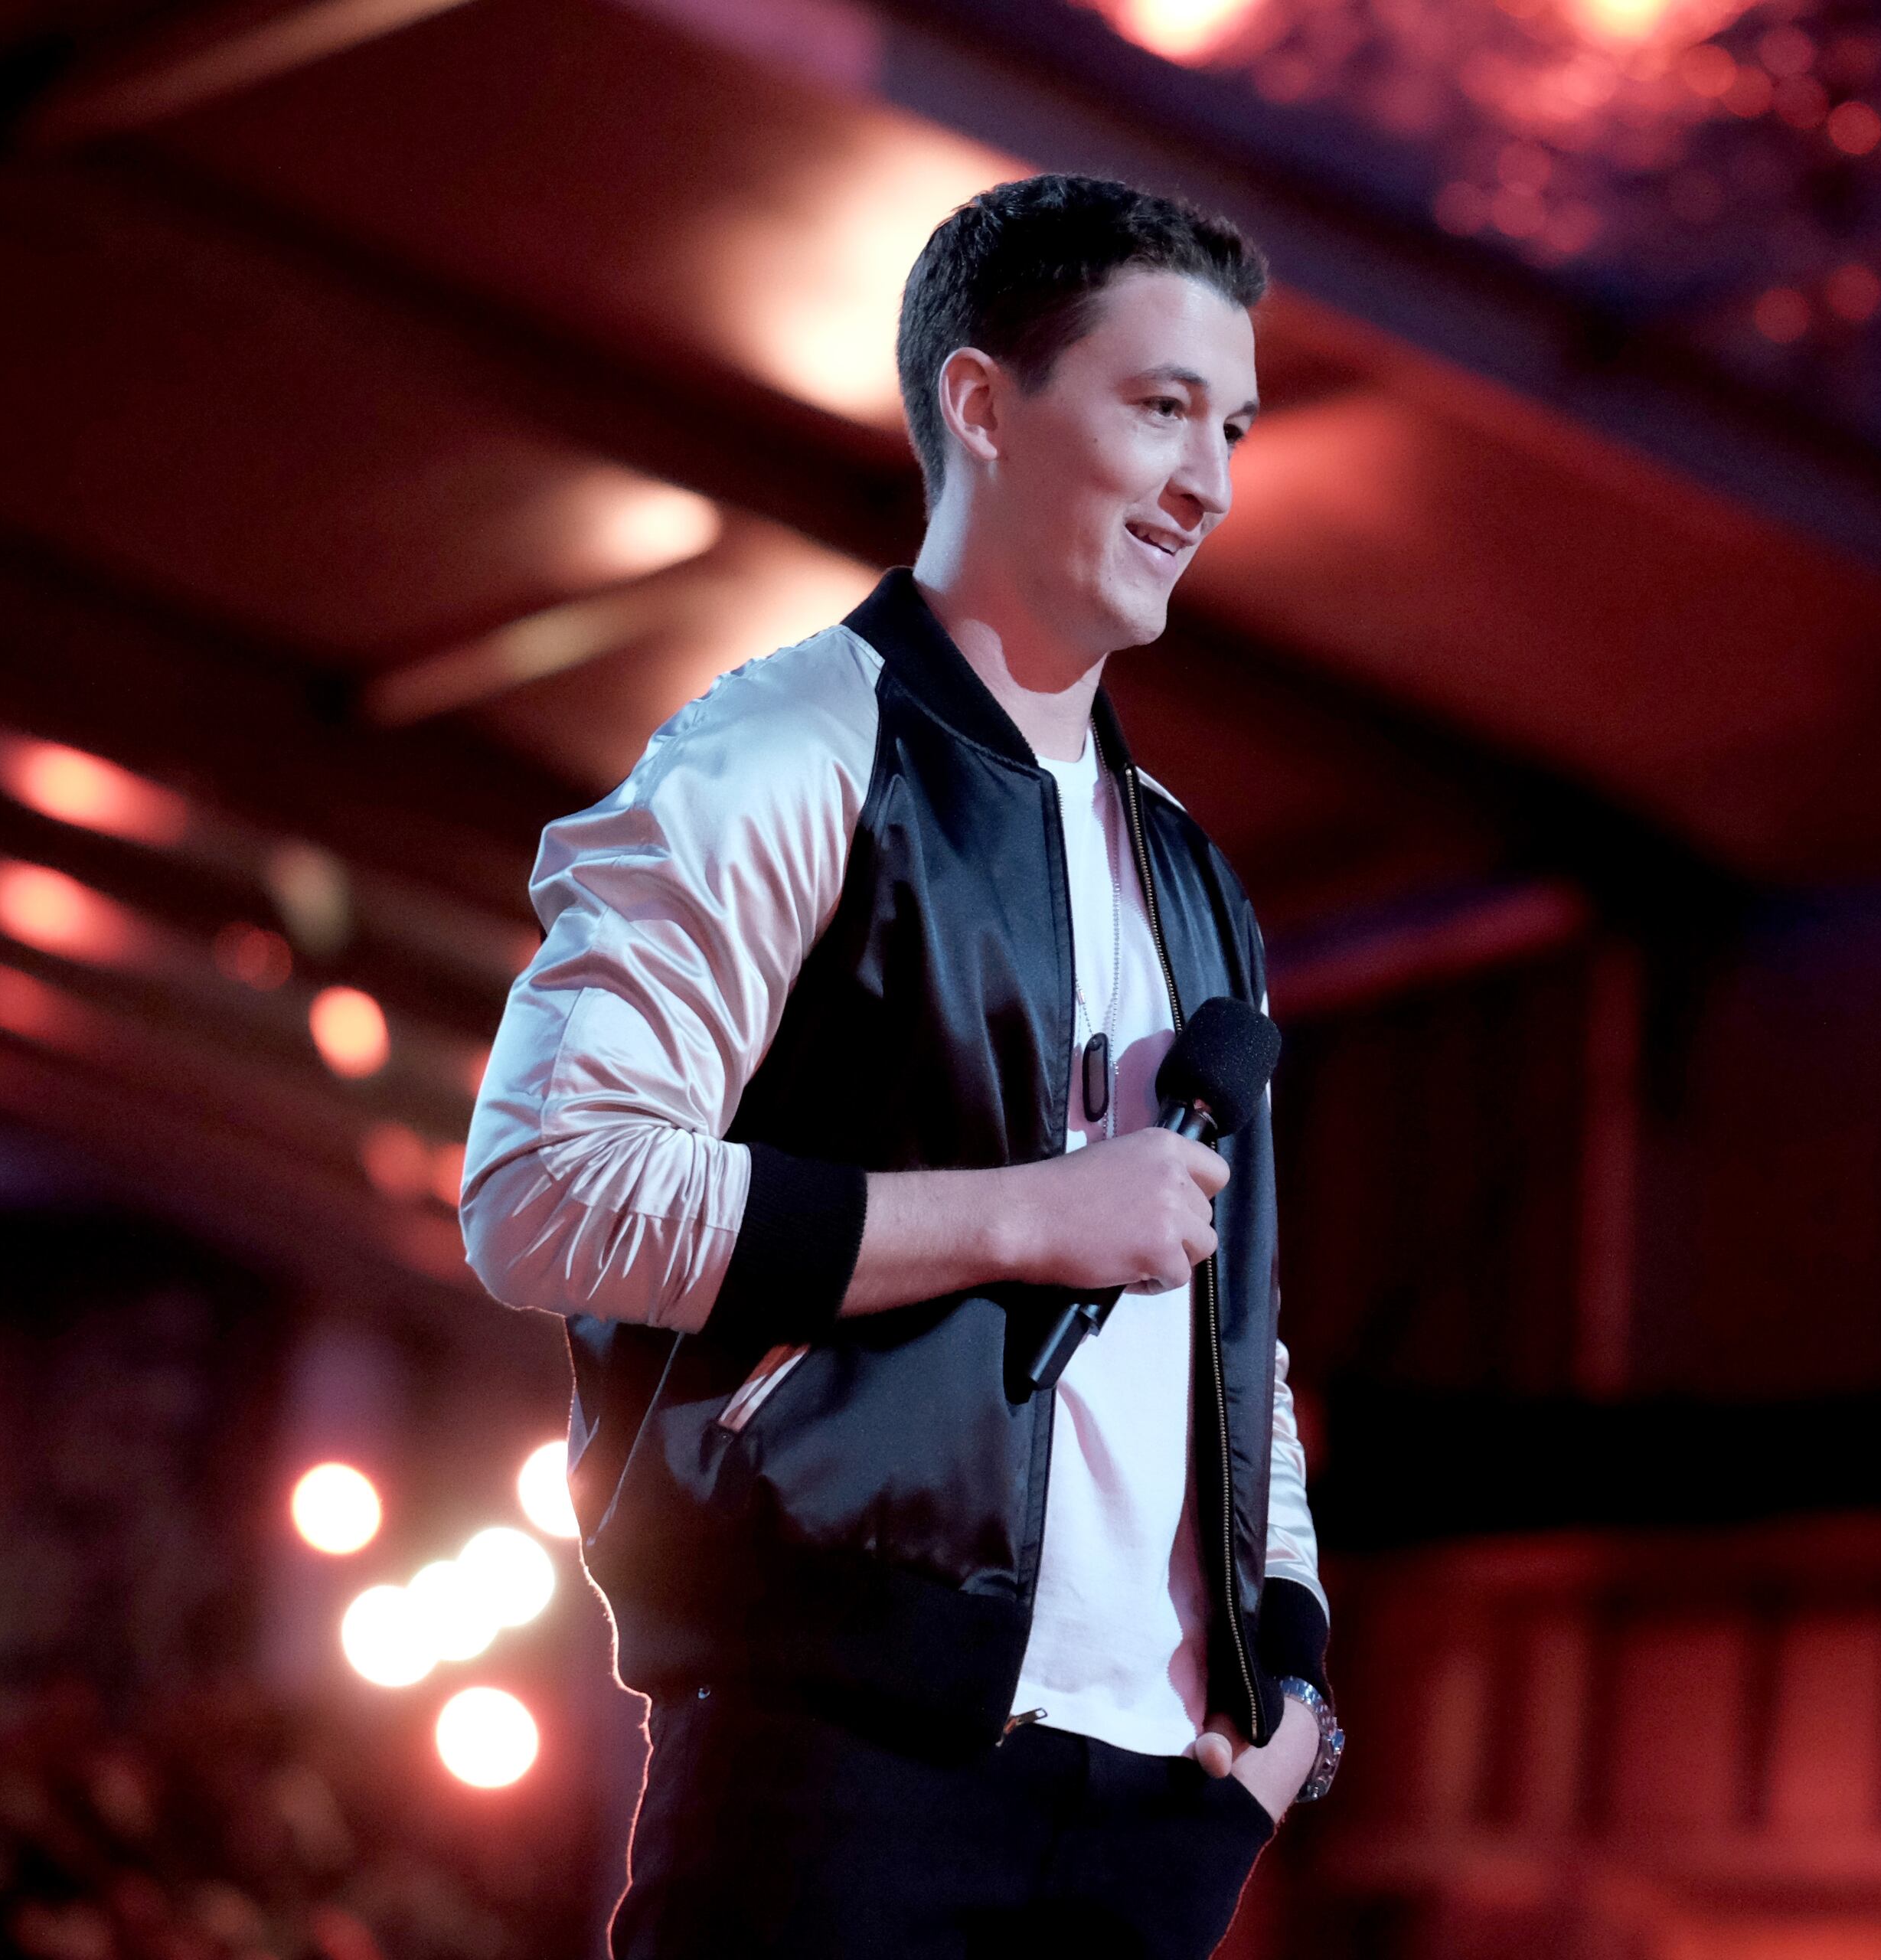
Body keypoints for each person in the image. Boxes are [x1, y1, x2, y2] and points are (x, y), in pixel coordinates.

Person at [459, 174, 1337, 1958]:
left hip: (1160, 1804)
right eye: (1162, 405)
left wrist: (1289, 1685)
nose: (1212, 482)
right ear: (983, 403)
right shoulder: (784, 751)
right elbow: (543, 1191)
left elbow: (1231, 1323)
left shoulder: (1189, 869)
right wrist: (1030, 1214)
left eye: (1233, 426)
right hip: (842, 1768)